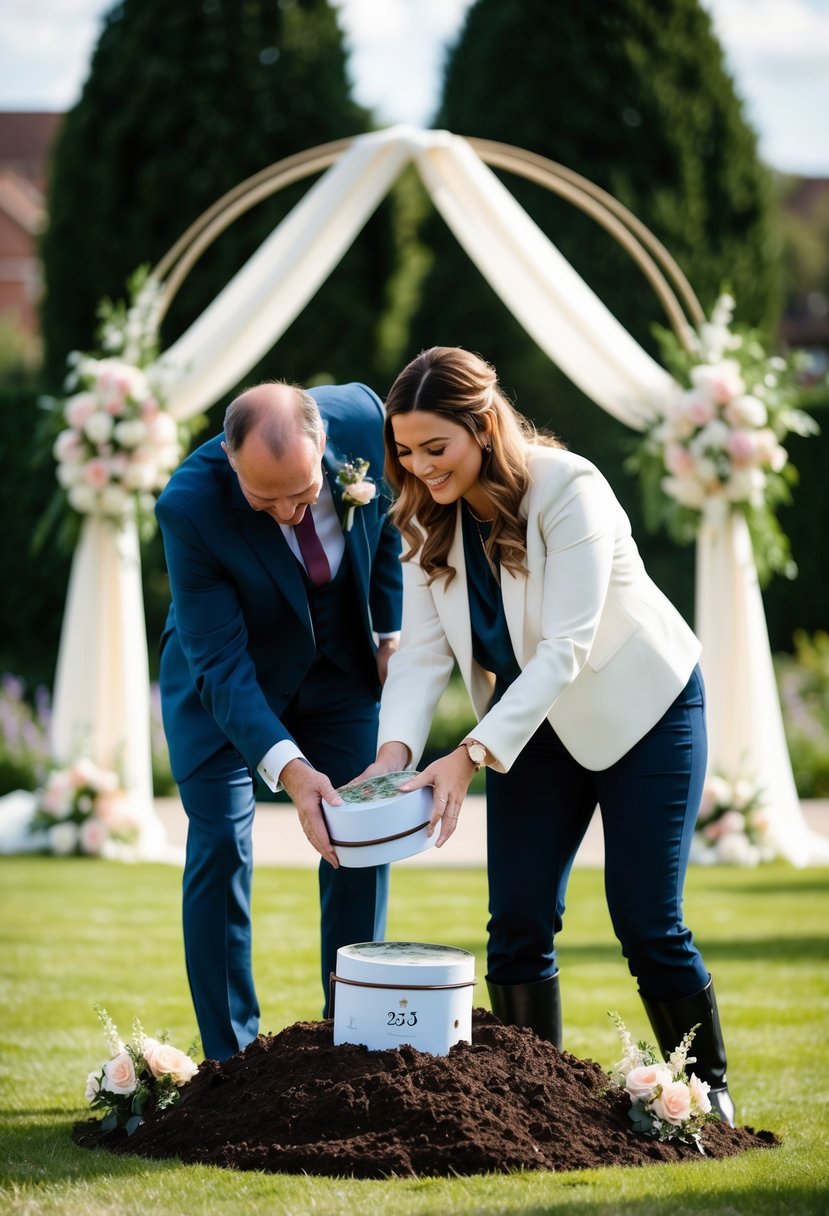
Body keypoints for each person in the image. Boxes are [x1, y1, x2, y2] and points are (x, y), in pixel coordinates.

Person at [361, 346, 735, 1124]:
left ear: (484, 428)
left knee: (645, 918)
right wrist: (393, 757)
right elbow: (423, 652)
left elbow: (565, 647)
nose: (421, 467)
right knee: (518, 920)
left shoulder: (571, 490)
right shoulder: (422, 518)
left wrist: (465, 757)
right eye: (404, 451)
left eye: (438, 448)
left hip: (646, 713)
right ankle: (540, 1108)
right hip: (532, 730)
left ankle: (706, 1094)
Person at [155, 380, 402, 1061]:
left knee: (358, 838)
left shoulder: (366, 423)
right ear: (231, 463)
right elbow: (221, 666)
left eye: (299, 496)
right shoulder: (188, 507)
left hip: (336, 670)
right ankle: (229, 1063)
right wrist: (291, 772)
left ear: (324, 447)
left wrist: (389, 634)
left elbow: (387, 532)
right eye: (263, 502)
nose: (288, 515)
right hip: (225, 683)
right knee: (221, 845)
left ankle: (351, 1040)